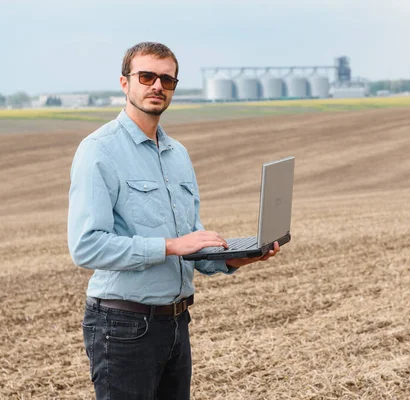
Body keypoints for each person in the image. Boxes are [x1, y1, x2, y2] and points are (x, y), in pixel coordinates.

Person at [67, 42, 280, 400]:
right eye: (146, 76)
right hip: (123, 326)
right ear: (125, 83)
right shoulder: (98, 150)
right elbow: (87, 246)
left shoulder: (177, 154)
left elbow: (188, 241)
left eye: (167, 79)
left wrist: (231, 259)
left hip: (177, 323)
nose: (157, 86)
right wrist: (168, 246)